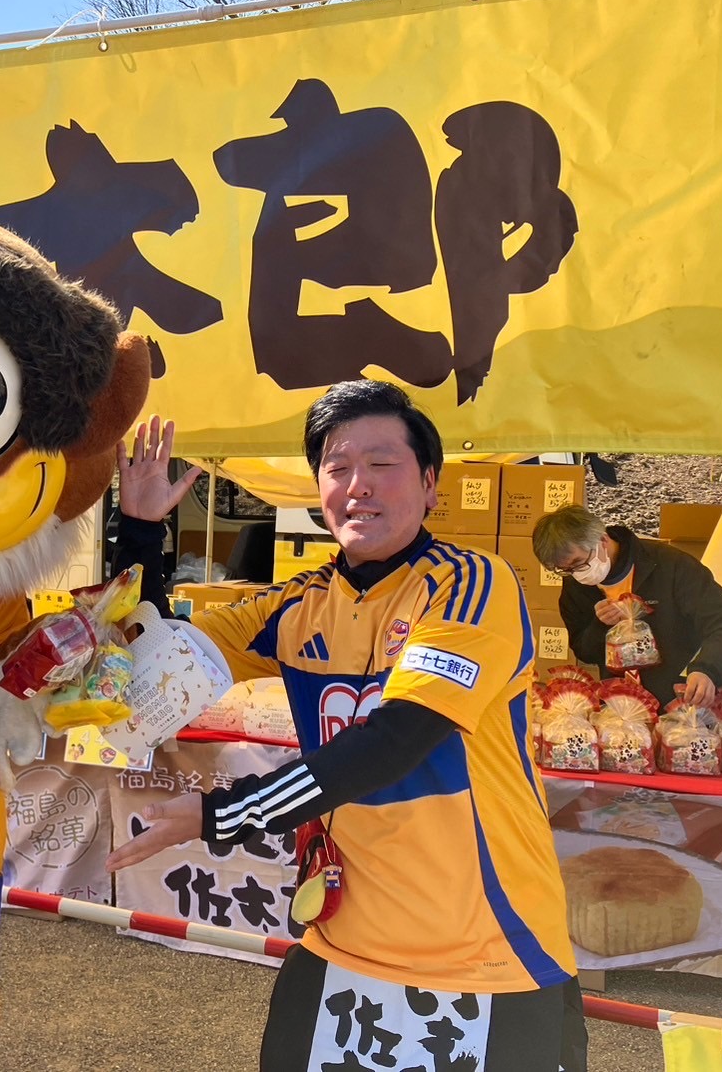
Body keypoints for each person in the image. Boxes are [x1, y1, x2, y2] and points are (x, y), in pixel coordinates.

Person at [106, 385, 587, 1072]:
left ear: (429, 484)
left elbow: (399, 738)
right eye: (337, 467)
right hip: (341, 941)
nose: (358, 484)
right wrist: (140, 530)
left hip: (483, 949)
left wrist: (222, 814)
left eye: (382, 464)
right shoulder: (296, 604)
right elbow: (157, 656)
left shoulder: (471, 585)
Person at [531, 504, 722, 710]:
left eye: (579, 563)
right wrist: (600, 626)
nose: (577, 573)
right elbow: (584, 652)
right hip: (620, 710)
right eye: (565, 569)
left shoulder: (671, 565)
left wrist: (707, 670)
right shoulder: (576, 585)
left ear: (602, 540)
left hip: (682, 701)